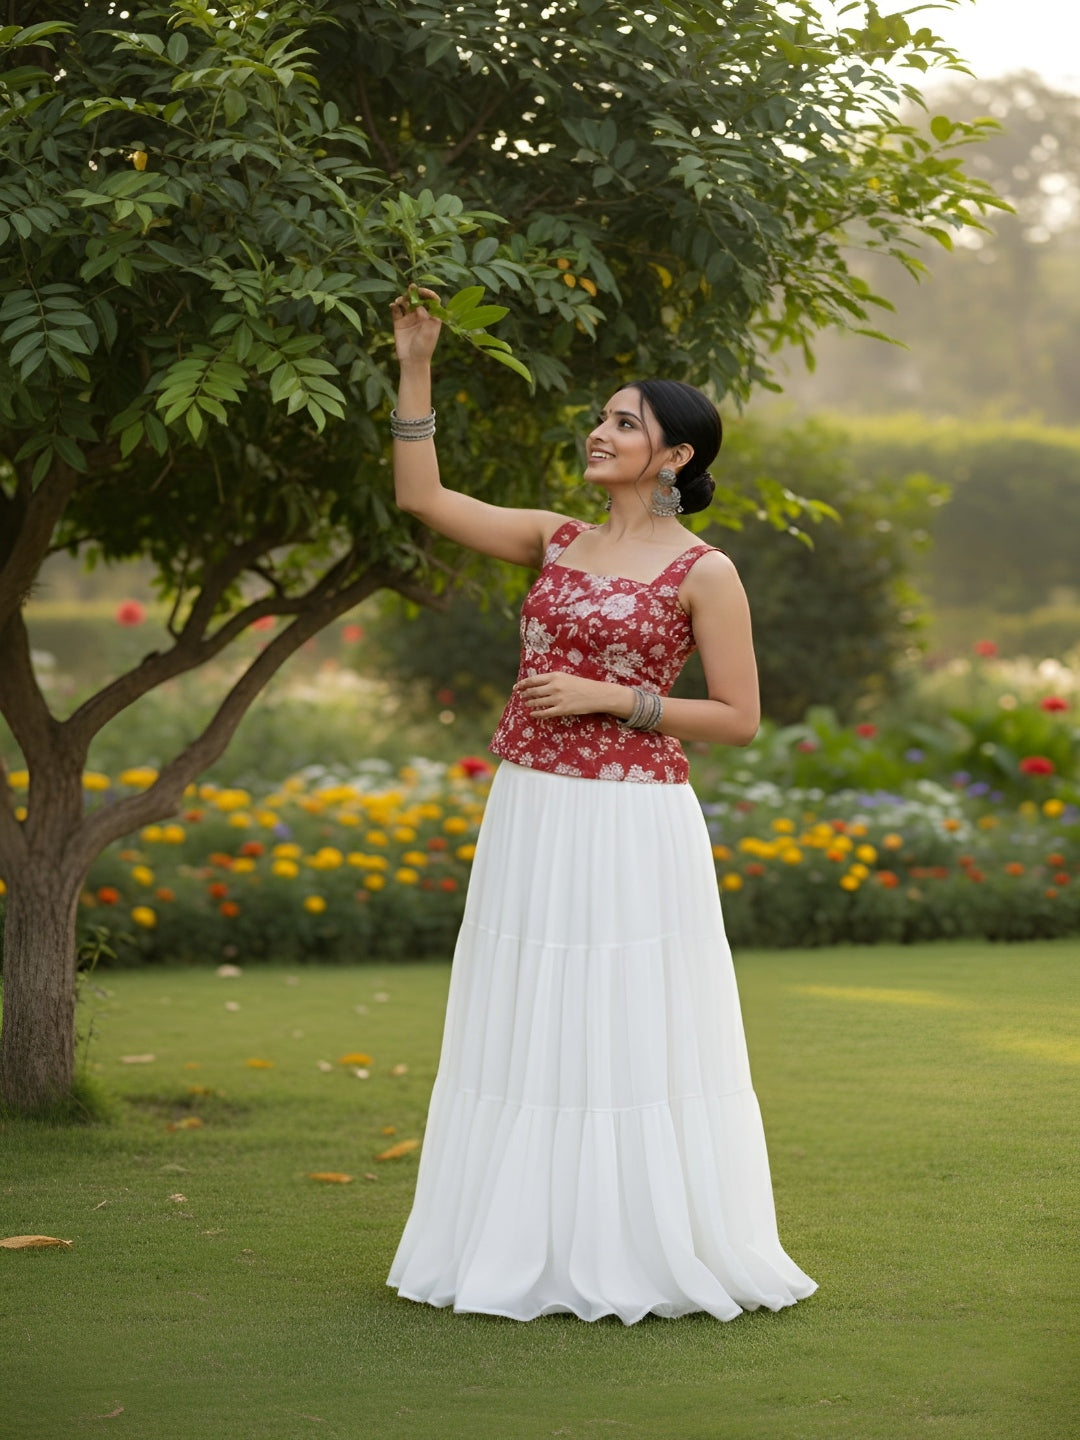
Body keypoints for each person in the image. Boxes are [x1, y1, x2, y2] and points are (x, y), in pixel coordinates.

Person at [384, 285, 817, 1324]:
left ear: (674, 457)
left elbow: (740, 716)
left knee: (623, 1019)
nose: (601, 430)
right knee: (529, 1014)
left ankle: (635, 1248)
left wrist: (615, 698)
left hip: (630, 819)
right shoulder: (556, 537)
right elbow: (423, 500)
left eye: (627, 422)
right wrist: (415, 365)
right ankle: (518, 1243)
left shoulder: (706, 573)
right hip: (531, 808)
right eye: (603, 415)